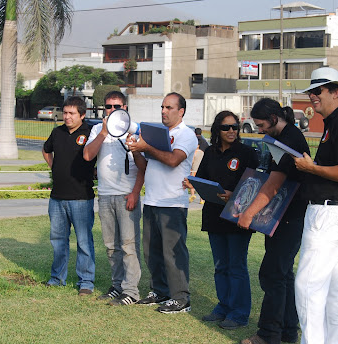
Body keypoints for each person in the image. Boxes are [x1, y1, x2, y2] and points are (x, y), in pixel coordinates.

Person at [293, 67, 338, 344]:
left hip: (329, 212)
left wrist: (312, 168)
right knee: (332, 287)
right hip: (333, 211)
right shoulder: (337, 121)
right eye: (311, 91)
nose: (312, 96)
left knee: (308, 285)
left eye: (317, 91)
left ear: (335, 92)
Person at [237, 99, 310, 344]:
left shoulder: (290, 138)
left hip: (290, 216)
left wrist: (248, 213)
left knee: (272, 275)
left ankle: (268, 335)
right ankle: (288, 332)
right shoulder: (286, 135)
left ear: (273, 117)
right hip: (283, 217)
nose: (259, 129)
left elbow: (275, 183)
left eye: (261, 124)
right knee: (282, 275)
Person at [186, 111, 258, 330]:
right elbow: (203, 178)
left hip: (237, 217)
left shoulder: (247, 153)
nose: (231, 131)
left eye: (235, 127)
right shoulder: (210, 152)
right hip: (214, 216)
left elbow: (255, 185)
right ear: (217, 129)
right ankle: (223, 306)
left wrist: (233, 194)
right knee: (220, 266)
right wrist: (193, 184)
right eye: (226, 127)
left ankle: (239, 313)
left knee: (236, 266)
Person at [127, 92, 197, 314]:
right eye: (162, 107)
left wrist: (146, 148)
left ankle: (181, 298)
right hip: (153, 200)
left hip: (172, 202)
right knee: (152, 250)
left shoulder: (186, 135)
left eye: (169, 107)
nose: (164, 111)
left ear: (181, 111)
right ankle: (160, 290)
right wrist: (136, 149)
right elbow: (145, 165)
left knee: (173, 252)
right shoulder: (158, 134)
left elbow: (173, 160)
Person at [83, 91, 145, 306]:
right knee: (111, 246)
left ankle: (131, 292)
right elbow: (88, 156)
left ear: (125, 108)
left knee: (129, 246)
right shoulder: (96, 129)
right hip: (106, 194)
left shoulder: (136, 129)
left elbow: (144, 167)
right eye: (108, 106)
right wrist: (103, 132)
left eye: (116, 106)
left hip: (127, 195)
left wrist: (135, 193)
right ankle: (117, 286)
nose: (111, 110)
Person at [42, 96, 97, 296]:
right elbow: (46, 150)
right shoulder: (57, 133)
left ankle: (86, 282)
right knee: (58, 239)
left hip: (81, 197)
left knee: (83, 241)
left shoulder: (90, 132)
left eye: (71, 113)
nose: (67, 117)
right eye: (65, 113)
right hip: (57, 197)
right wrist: (54, 167)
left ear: (82, 115)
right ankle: (57, 278)